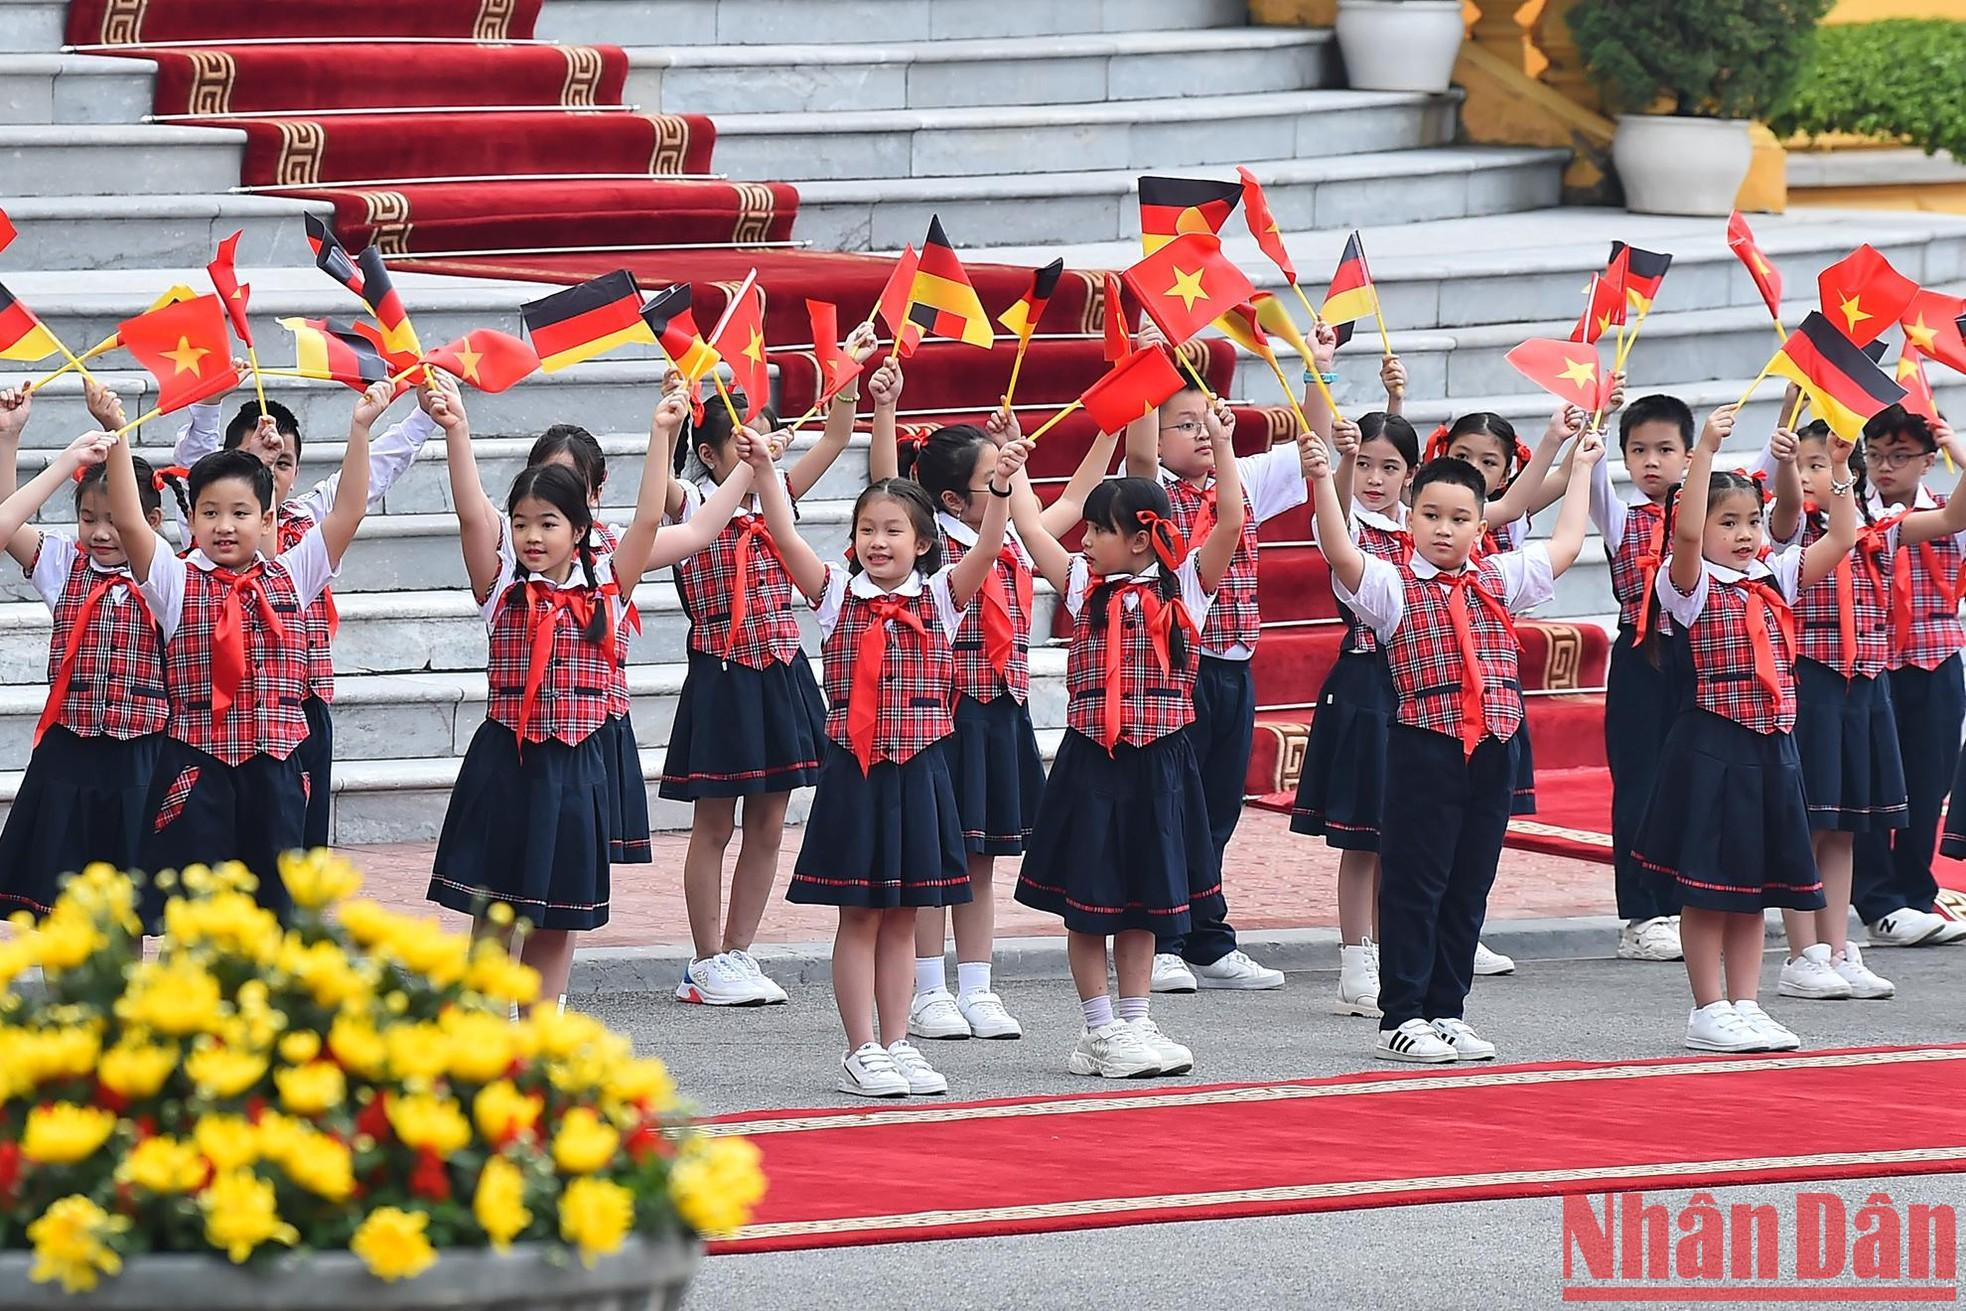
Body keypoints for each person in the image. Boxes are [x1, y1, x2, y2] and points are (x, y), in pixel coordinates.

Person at [426, 381, 753, 1009]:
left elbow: (655, 520)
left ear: (582, 526)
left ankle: (541, 1037)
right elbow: (471, 514)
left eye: (549, 522)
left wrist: (663, 433)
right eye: (521, 523)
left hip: (577, 766)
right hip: (508, 762)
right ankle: (480, 1035)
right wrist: (456, 430)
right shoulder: (499, 583)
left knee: (557, 918)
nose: (532, 536)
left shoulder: (609, 580)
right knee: (494, 911)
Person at [1307, 418, 1602, 1064]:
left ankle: (1447, 1009)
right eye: (1432, 515)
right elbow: (1339, 549)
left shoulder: (1499, 577)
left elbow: (1568, 543)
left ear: (1480, 525)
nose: (1444, 529)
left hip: (1495, 745)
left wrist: (1581, 469)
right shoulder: (1392, 585)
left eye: (1460, 518)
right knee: (1416, 882)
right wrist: (1326, 479)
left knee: (1470, 884)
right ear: (1410, 517)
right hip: (1425, 746)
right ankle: (1402, 1014)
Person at [772, 430, 1033, 1098]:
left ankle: (897, 1041)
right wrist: (764, 472)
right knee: (860, 914)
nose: (878, 542)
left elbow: (988, 548)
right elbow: (784, 535)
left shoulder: (941, 596)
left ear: (922, 542)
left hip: (921, 773)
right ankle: (861, 1047)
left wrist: (1002, 488)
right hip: (855, 775)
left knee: (904, 914)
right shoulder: (837, 595)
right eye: (867, 530)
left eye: (893, 531)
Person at [866, 357, 1119, 1042]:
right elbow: (886, 483)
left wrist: (1111, 426)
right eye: (990, 480)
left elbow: (1077, 499)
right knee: (935, 853)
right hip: (942, 715)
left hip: (999, 709)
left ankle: (976, 985)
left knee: (980, 854)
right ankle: (928, 988)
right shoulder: (926, 549)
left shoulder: (1013, 538)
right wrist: (884, 411)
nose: (1004, 484)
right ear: (951, 502)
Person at [1017, 397, 1246, 1080]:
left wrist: (1224, 446)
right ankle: (1098, 1029)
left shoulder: (1188, 587)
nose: (1085, 540)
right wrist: (1011, 473)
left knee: (1147, 899)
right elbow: (1029, 529)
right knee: (1088, 903)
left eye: (1099, 530)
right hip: (1093, 760)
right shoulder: (1082, 586)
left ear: (1141, 539)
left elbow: (1231, 520)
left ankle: (1136, 1020)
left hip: (1161, 763)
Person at [111, 382, 386, 928]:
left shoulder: (292, 574)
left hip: (276, 770)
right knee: (195, 921)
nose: (224, 526)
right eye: (210, 512)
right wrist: (117, 435)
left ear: (267, 520)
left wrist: (360, 428)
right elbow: (128, 522)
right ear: (192, 521)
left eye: (240, 512)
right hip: (196, 771)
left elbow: (349, 511)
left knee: (274, 919)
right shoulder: (175, 580)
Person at [1635, 404, 1859, 1051]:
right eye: (1727, 522)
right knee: (1709, 887)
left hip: (1773, 748)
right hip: (1714, 745)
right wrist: (1704, 450)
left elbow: (1841, 539)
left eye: (1752, 521)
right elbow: (1683, 537)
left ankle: (1746, 1002)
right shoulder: (1689, 585)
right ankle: (1707, 1007)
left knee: (1755, 885)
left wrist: (1839, 470)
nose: (1743, 534)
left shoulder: (1774, 576)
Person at [656, 355, 868, 1007]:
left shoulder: (778, 495)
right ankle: (703, 961)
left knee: (771, 821)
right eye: (745, 442)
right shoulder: (694, 503)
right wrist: (669, 419)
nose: (763, 450)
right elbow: (658, 488)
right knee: (714, 823)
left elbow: (837, 436)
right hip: (723, 675)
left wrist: (849, 372)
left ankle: (738, 950)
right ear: (711, 455)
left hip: (780, 669)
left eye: (770, 439)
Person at [1123, 327, 1327, 995]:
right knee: (1170, 806)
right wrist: (1148, 369)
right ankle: (1161, 938)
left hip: (1234, 669)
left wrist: (1316, 370)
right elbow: (1138, 451)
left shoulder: (1241, 480)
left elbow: (1310, 447)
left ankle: (1208, 936)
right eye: (1184, 425)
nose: (1201, 434)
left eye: (1207, 419)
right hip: (1176, 669)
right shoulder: (1151, 494)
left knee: (1218, 807)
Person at [172, 372, 442, 852]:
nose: (270, 469)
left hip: (298, 707)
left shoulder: (309, 523)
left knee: (295, 846)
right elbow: (196, 470)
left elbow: (368, 480)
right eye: (256, 457)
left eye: (283, 462)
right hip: (214, 715)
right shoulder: (204, 540)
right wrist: (208, 409)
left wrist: (421, 417)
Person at [0, 384, 184, 915]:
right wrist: (10, 439)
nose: (101, 533)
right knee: (54, 901)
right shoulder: (64, 564)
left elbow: (133, 524)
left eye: (113, 521)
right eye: (88, 519)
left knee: (125, 904)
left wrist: (115, 434)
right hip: (69, 750)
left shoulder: (167, 577)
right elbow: (7, 522)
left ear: (151, 523)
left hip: (140, 755)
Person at [1434, 403, 1595, 975]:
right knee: (1420, 835)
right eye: (1462, 457)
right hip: (1429, 695)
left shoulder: (1496, 555)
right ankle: (1392, 950)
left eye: (1489, 462)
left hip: (1491, 690)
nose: (1474, 470)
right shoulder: (1424, 536)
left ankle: (1460, 932)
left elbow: (1535, 507)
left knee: (1479, 830)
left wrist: (1570, 442)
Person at [1764, 422, 1918, 1003]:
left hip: (1866, 683)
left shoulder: (1875, 525)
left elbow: (1950, 519)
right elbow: (1789, 508)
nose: (1812, 475)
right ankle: (1801, 954)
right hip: (1812, 680)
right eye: (1805, 464)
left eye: (1821, 465)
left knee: (1845, 823)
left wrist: (1843, 470)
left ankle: (1834, 949)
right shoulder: (1787, 531)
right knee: (1810, 821)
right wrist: (1788, 466)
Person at [1290, 410, 1413, 1017]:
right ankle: (1355, 959)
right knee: (1363, 835)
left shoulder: (1425, 526)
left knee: (1406, 832)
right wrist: (1336, 465)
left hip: (1422, 684)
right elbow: (1332, 518)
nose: (1375, 478)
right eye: (1365, 464)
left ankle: (1399, 952)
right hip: (1366, 685)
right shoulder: (1348, 526)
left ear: (1411, 474)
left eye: (1390, 467)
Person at [1856, 405, 1966, 947]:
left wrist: (1957, 448)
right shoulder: (1855, 512)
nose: (1885, 467)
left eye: (1899, 456)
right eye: (1876, 455)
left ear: (1927, 460)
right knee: (1873, 783)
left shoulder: (1949, 510)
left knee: (1929, 783)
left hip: (1935, 662)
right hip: (1873, 665)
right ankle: (1878, 899)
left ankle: (1916, 895)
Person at [1592, 393, 1695, 963]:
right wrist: (1599, 418)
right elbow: (1590, 480)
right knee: (1639, 785)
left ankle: (1689, 904)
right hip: (1639, 656)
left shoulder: (1705, 512)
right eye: (1637, 451)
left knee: (1694, 781)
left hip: (1699, 657)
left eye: (1664, 449)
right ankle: (1641, 914)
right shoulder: (1621, 518)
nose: (1651, 461)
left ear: (1688, 456)